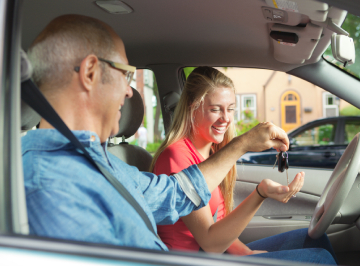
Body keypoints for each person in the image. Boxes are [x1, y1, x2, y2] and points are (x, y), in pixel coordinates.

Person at [22, 14, 301, 256]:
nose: (129, 92)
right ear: (91, 72)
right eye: (126, 75)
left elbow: (174, 193)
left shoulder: (102, 163)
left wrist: (243, 145)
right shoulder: (49, 186)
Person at [151, 67, 338, 264]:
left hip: (215, 255)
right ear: (192, 107)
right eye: (215, 109)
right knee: (319, 259)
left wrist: (245, 253)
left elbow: (219, 221)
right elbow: (211, 243)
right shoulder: (176, 156)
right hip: (192, 260)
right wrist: (261, 193)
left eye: (230, 108)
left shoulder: (211, 152)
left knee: (314, 240)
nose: (226, 118)